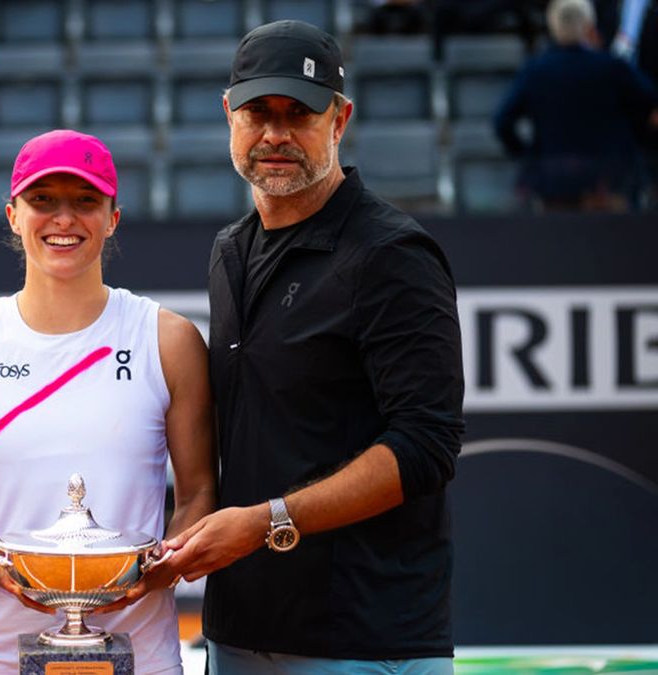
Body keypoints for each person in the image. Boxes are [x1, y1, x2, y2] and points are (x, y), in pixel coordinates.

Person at [163, 20, 466, 674]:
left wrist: (269, 520)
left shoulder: (392, 254)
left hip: (366, 642)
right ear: (228, 114)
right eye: (258, 112)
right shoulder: (230, 251)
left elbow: (426, 444)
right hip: (238, 635)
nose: (275, 133)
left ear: (340, 120)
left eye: (298, 113)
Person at [0, 129, 216, 675]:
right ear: (12, 215)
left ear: (113, 217)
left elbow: (197, 496)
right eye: (42, 201)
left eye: (85, 201)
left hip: (142, 658)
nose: (64, 219)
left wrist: (147, 573)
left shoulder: (167, 340)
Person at [494, 0, 658, 212]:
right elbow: (650, 106)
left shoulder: (536, 71)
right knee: (612, 242)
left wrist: (529, 157)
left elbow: (502, 122)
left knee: (559, 243)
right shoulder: (612, 68)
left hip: (555, 184)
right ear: (590, 27)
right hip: (608, 183)